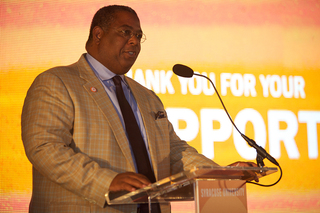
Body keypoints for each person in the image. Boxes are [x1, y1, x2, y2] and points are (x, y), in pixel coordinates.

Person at [21, 5, 256, 213]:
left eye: (138, 35)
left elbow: (173, 151)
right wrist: (107, 181)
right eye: (125, 32)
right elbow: (44, 148)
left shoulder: (146, 96)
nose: (134, 40)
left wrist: (216, 174)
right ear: (98, 34)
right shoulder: (57, 82)